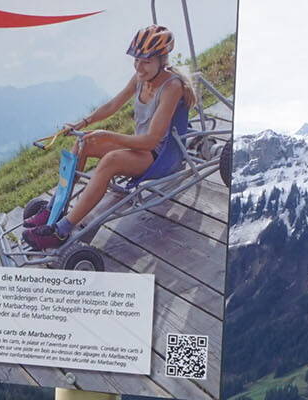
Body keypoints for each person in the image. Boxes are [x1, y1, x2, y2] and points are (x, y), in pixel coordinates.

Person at [25, 24, 195, 250]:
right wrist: (83, 123)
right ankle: (52, 210)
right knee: (83, 142)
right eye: (136, 60)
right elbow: (114, 104)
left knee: (110, 161)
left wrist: (108, 136)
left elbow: (151, 141)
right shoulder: (140, 78)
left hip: (159, 156)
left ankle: (61, 231)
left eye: (146, 61)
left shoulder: (172, 86)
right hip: (141, 149)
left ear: (162, 60)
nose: (139, 67)